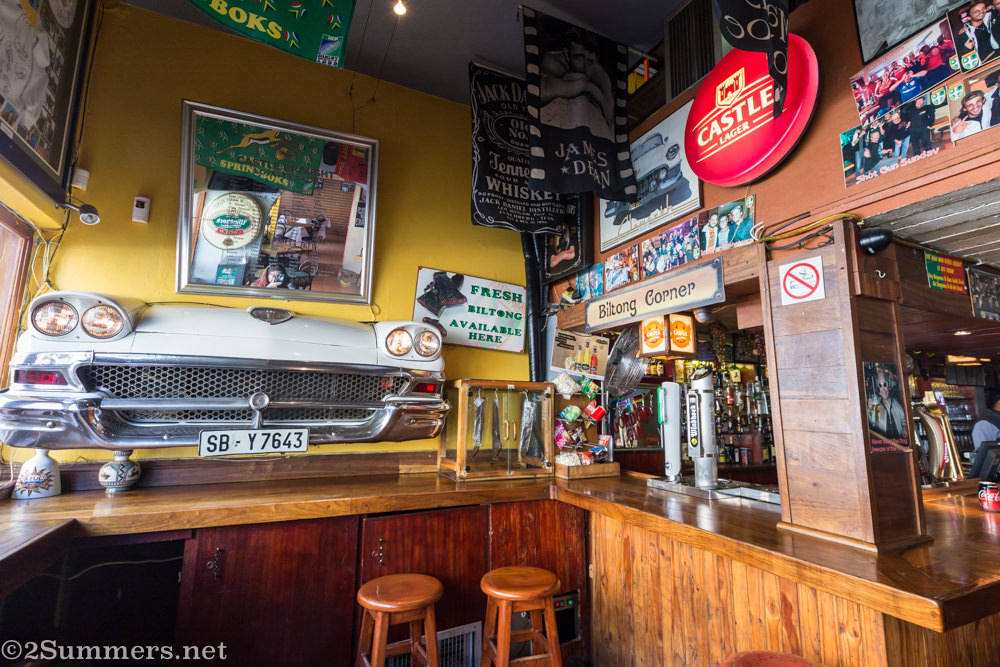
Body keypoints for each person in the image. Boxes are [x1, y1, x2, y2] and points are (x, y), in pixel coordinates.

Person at [539, 28, 614, 141]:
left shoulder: (597, 72)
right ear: (566, 54)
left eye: (590, 60)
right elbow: (542, 93)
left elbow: (609, 114)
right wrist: (585, 85)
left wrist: (590, 88)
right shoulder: (553, 62)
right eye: (579, 57)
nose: (585, 66)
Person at [869, 369, 908, 440]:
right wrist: (870, 409)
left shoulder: (896, 404)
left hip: (899, 443)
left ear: (889, 386)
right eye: (880, 385)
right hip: (884, 444)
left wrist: (904, 428)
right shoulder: (877, 405)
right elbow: (873, 424)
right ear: (878, 388)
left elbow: (904, 422)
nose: (883, 389)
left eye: (885, 384)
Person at [959, 1, 999, 66]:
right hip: (984, 67)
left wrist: (993, 6)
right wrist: (966, 49)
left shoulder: (992, 19)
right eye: (977, 11)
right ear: (968, 17)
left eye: (983, 8)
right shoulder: (965, 35)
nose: (982, 12)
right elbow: (961, 60)